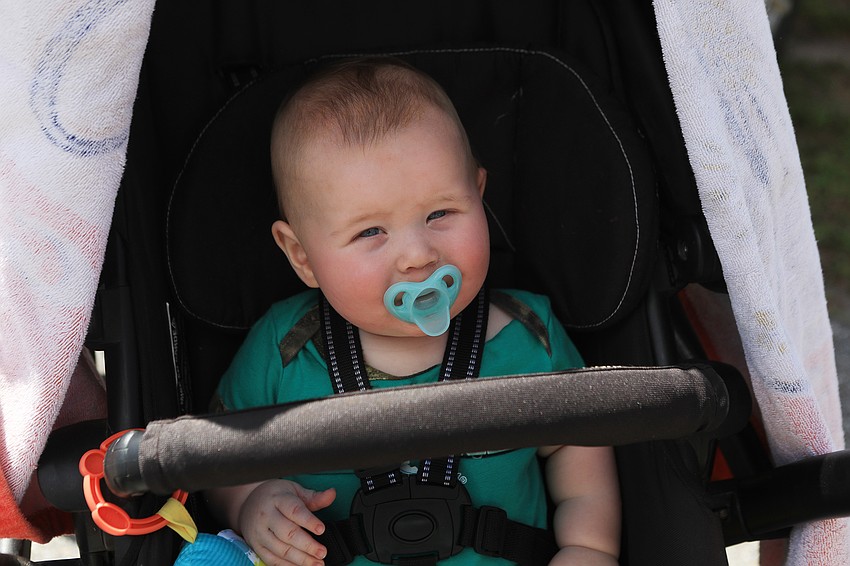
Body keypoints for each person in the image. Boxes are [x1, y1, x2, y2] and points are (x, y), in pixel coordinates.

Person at [203, 57, 620, 566]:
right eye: (370, 232)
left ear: (480, 196)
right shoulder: (285, 346)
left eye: (440, 213)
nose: (418, 255)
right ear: (302, 256)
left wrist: (589, 546)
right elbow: (217, 459)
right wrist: (249, 502)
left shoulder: (530, 335)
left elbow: (579, 448)